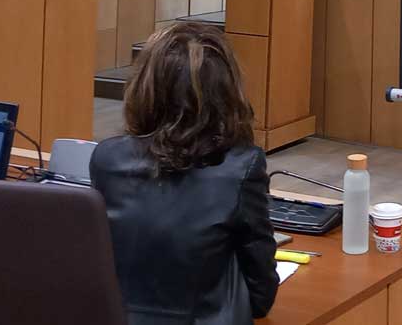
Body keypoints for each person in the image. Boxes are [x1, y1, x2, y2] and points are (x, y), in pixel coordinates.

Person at [90, 22, 278, 324]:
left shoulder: (106, 159)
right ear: (227, 91)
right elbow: (261, 294)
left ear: (144, 88)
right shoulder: (243, 167)